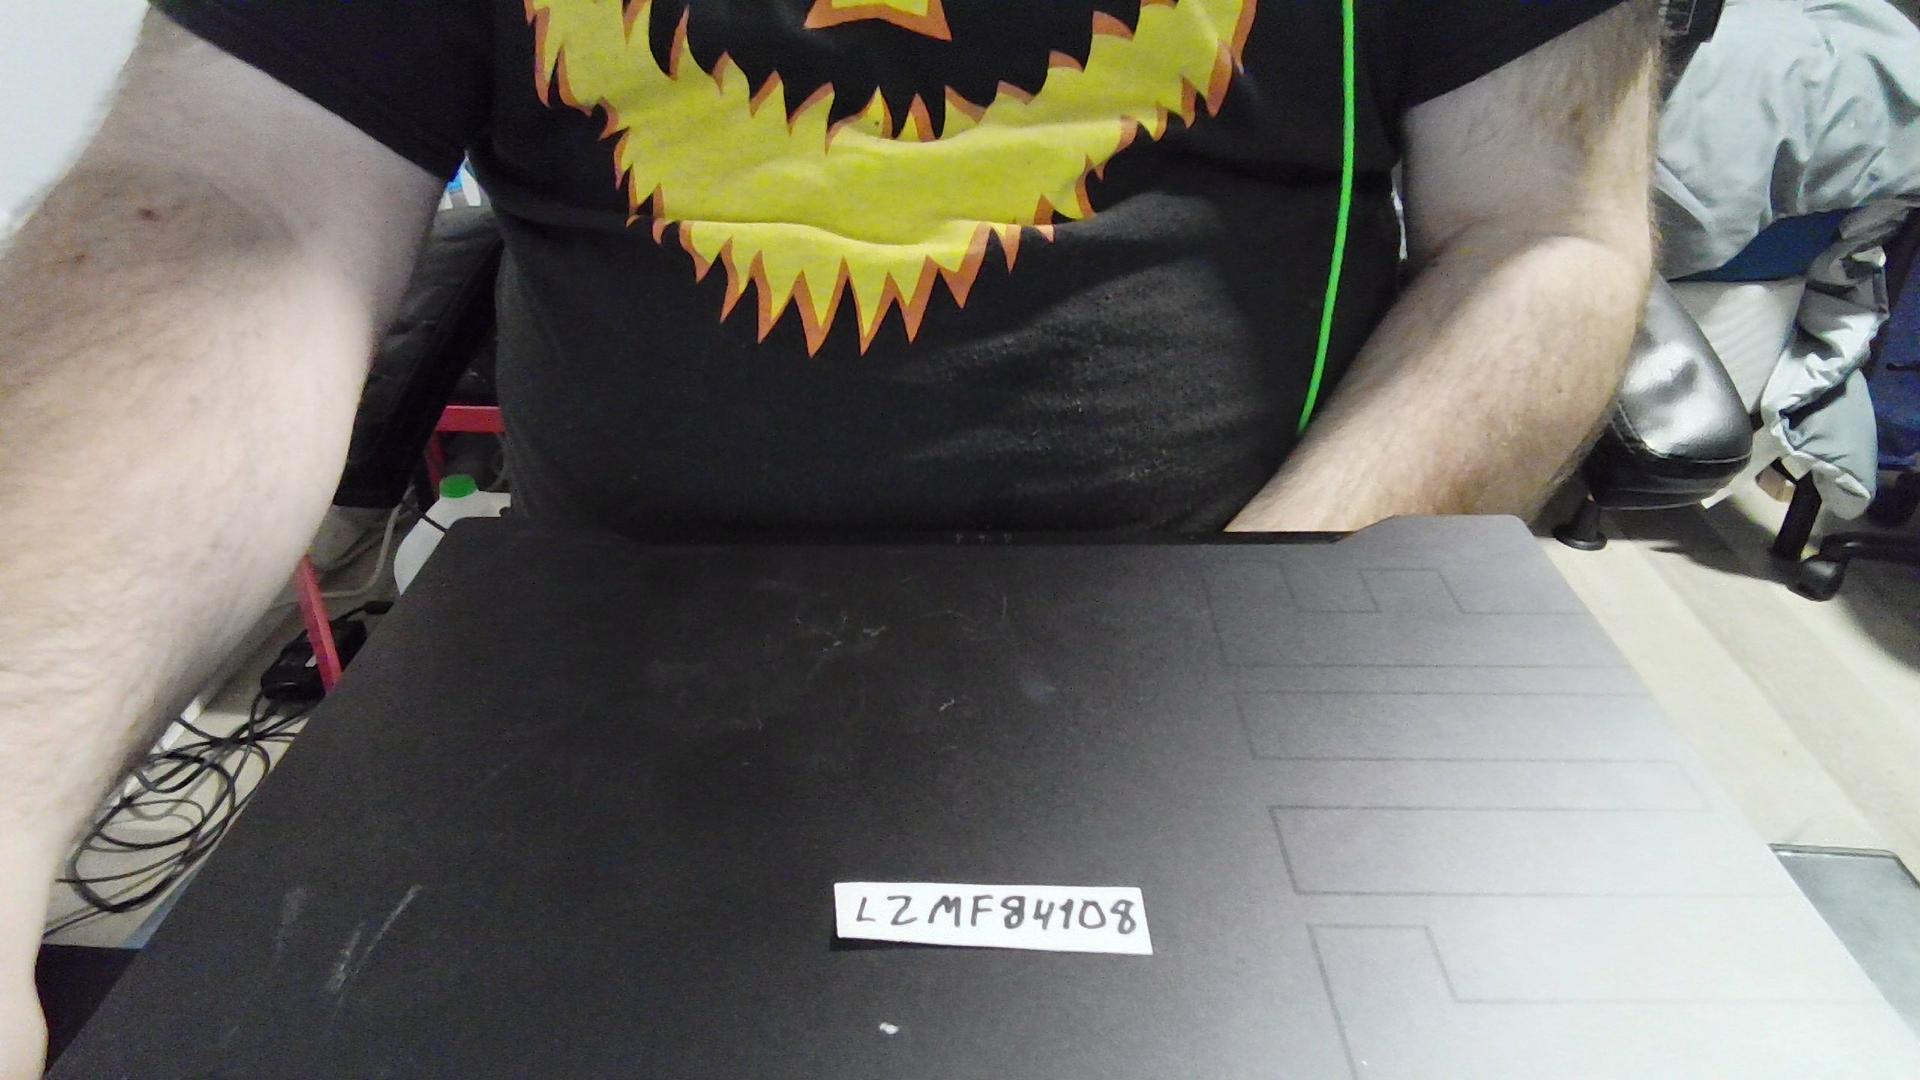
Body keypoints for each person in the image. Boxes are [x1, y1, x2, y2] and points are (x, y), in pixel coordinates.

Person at [0, 0, 1658, 1071]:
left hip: (1231, 677)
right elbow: (228, 207)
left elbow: (1541, 229)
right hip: (599, 724)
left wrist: (1238, 659)